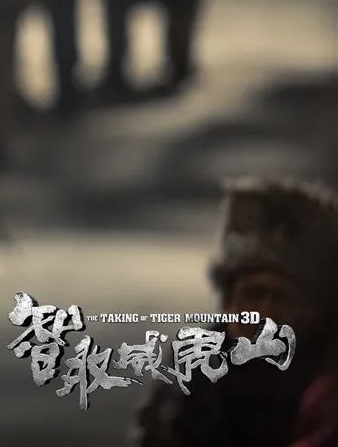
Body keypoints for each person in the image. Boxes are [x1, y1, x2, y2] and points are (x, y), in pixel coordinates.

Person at [128, 179, 338, 447]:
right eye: (253, 294)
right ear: (228, 302)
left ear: (313, 309)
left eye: (283, 298)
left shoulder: (327, 388)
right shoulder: (190, 369)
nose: (266, 312)